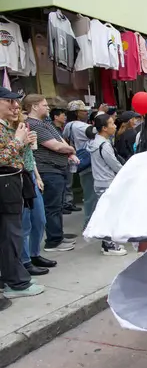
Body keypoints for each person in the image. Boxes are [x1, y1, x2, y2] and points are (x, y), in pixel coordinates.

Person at [0, 87, 45, 301]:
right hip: (5, 184)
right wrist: (18, 140)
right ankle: (16, 282)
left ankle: (12, 276)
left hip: (13, 182)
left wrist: (23, 141)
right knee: (11, 234)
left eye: (16, 103)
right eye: (10, 102)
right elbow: (3, 158)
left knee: (11, 233)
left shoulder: (7, 126)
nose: (16, 107)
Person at [24, 95, 78, 252]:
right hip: (48, 170)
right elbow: (57, 146)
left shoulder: (45, 123)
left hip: (57, 169)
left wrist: (68, 150)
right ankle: (53, 241)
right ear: (34, 106)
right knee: (52, 206)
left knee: (57, 205)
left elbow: (60, 140)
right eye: (44, 105)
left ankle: (57, 236)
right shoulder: (33, 124)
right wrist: (71, 150)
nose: (48, 108)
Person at [12, 107, 56, 276]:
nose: (17, 112)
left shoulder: (24, 129)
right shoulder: (10, 133)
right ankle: (25, 260)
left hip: (29, 173)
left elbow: (31, 156)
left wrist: (37, 176)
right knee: (24, 222)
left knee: (39, 219)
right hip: (18, 175)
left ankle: (34, 253)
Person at [86, 114, 127, 255]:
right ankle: (109, 245)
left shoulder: (95, 142)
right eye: (111, 124)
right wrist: (127, 172)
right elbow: (114, 165)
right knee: (110, 214)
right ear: (104, 128)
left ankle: (108, 243)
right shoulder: (104, 145)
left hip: (100, 181)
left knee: (107, 212)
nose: (115, 126)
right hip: (107, 182)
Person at [63, 100, 91, 217]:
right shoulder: (83, 126)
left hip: (74, 155)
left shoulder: (68, 126)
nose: (86, 113)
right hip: (86, 156)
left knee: (71, 181)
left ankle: (68, 201)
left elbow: (64, 138)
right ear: (76, 113)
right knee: (88, 184)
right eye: (83, 111)